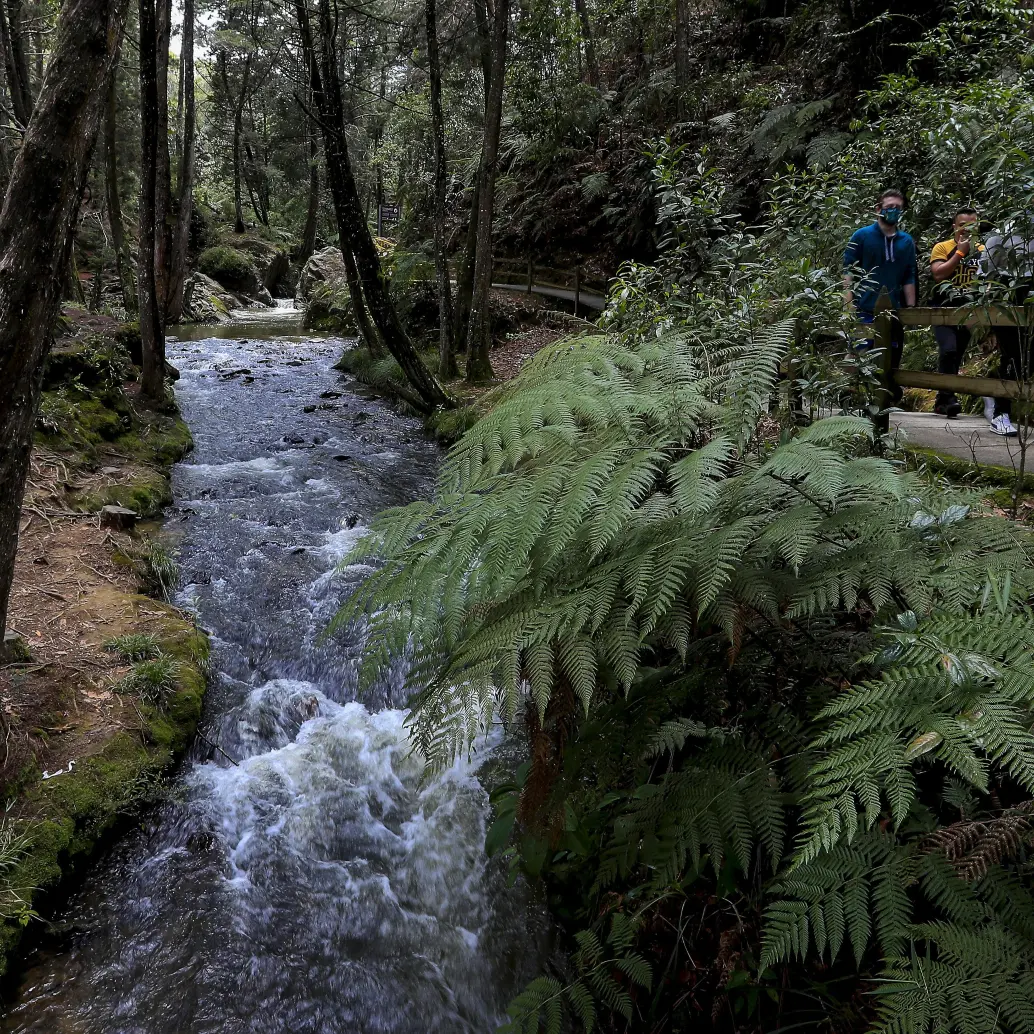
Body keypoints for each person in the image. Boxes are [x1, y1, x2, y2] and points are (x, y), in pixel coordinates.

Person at [843, 189, 917, 389]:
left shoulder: (906, 241)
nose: (893, 211)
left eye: (898, 208)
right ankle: (849, 392)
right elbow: (848, 271)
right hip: (864, 307)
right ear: (878, 209)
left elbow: (909, 274)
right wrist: (848, 305)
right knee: (858, 353)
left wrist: (911, 308)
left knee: (890, 356)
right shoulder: (862, 236)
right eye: (889, 207)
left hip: (893, 311)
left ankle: (882, 397)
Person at [929, 207, 988, 421]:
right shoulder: (942, 247)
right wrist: (961, 252)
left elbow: (986, 281)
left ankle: (942, 402)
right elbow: (938, 273)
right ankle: (949, 398)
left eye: (971, 225)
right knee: (948, 351)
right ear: (955, 226)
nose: (966, 229)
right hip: (943, 311)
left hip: (968, 311)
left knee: (956, 356)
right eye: (962, 225)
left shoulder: (983, 250)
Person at [981, 227, 1034, 435]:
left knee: (1028, 360)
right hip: (1007, 293)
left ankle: (992, 385)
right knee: (1013, 355)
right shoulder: (1004, 231)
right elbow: (986, 272)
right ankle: (1000, 414)